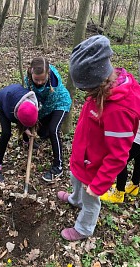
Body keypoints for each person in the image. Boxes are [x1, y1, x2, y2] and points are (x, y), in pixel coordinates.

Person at [57, 35, 140, 241]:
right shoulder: (102, 92)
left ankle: (84, 228)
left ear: (96, 83)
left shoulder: (119, 110)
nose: (84, 93)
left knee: (91, 200)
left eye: (85, 89)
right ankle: (75, 199)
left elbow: (118, 156)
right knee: (75, 180)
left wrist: (98, 185)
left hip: (94, 169)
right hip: (82, 158)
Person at [25, 57, 72, 182]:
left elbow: (49, 107)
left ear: (48, 74)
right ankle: (29, 141)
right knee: (42, 132)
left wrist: (35, 118)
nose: (39, 82)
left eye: (43, 79)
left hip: (60, 103)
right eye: (36, 79)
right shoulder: (28, 78)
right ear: (31, 71)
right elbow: (29, 96)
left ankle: (58, 166)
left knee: (53, 130)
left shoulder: (54, 81)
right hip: (42, 104)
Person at [0, 83, 38, 182]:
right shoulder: (10, 111)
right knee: (6, 133)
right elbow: (19, 123)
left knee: (27, 120)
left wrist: (27, 127)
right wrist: (25, 128)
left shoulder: (33, 102)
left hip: (16, 96)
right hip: (1, 102)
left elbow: (28, 118)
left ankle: (26, 141)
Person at [100, 122, 140, 203]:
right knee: (138, 158)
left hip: (136, 136)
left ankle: (119, 193)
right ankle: (134, 185)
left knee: (121, 160)